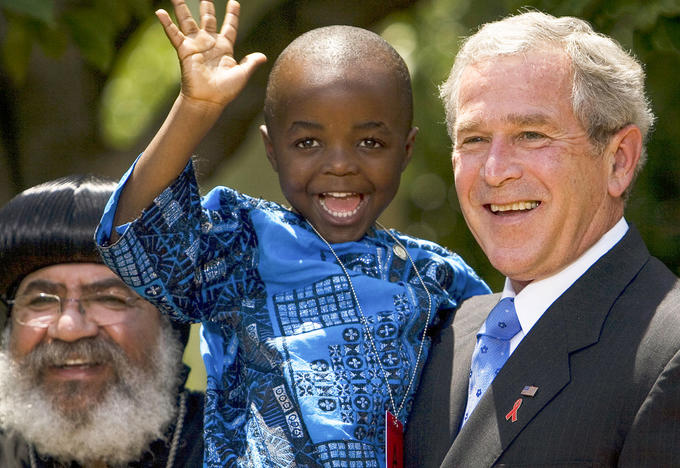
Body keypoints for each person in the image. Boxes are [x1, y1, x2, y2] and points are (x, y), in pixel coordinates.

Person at [94, 0, 489, 466]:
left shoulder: (436, 276)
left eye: (370, 142)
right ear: (271, 150)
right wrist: (194, 110)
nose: (340, 163)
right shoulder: (245, 243)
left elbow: (494, 376)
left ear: (405, 152)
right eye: (307, 143)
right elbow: (138, 240)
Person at [404, 10, 680, 467]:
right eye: (475, 139)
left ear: (619, 161)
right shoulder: (441, 333)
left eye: (531, 134)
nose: (496, 169)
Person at [0, 175, 205, 468]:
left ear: (170, 327)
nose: (69, 328)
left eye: (109, 299)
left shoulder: (248, 447)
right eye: (41, 300)